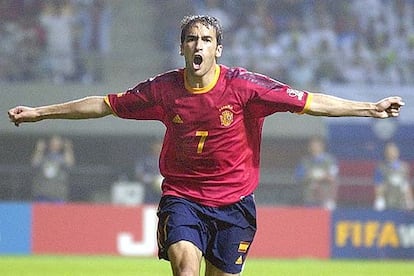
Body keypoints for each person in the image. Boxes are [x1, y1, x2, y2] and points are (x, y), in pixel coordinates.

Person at [8, 15, 404, 276]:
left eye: (206, 39)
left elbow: (311, 101)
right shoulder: (162, 90)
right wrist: (42, 113)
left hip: (235, 204)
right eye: (191, 39)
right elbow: (104, 104)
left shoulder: (246, 88)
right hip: (183, 197)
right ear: (181, 47)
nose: (198, 45)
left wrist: (369, 108)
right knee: (184, 266)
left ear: (218, 49)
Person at [295, 136, 338, 210]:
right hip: (309, 199)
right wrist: (310, 176)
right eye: (312, 146)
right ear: (309, 148)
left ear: (322, 147)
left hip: (325, 198)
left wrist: (320, 176)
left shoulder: (330, 161)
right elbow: (299, 177)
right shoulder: (304, 162)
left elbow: (332, 177)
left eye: (317, 146)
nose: (314, 148)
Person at [31, 135, 75, 202]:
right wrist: (39, 150)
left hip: (58, 194)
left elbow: (70, 164)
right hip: (42, 193)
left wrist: (68, 149)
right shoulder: (44, 157)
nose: (54, 145)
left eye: (57, 144)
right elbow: (35, 163)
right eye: (52, 143)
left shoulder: (62, 158)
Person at [374, 142, 414, 211]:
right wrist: (379, 200)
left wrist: (410, 200)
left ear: (398, 152)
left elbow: (406, 185)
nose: (392, 153)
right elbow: (379, 185)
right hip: (388, 202)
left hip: (402, 202)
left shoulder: (404, 167)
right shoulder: (381, 168)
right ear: (386, 153)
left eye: (394, 151)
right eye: (390, 151)